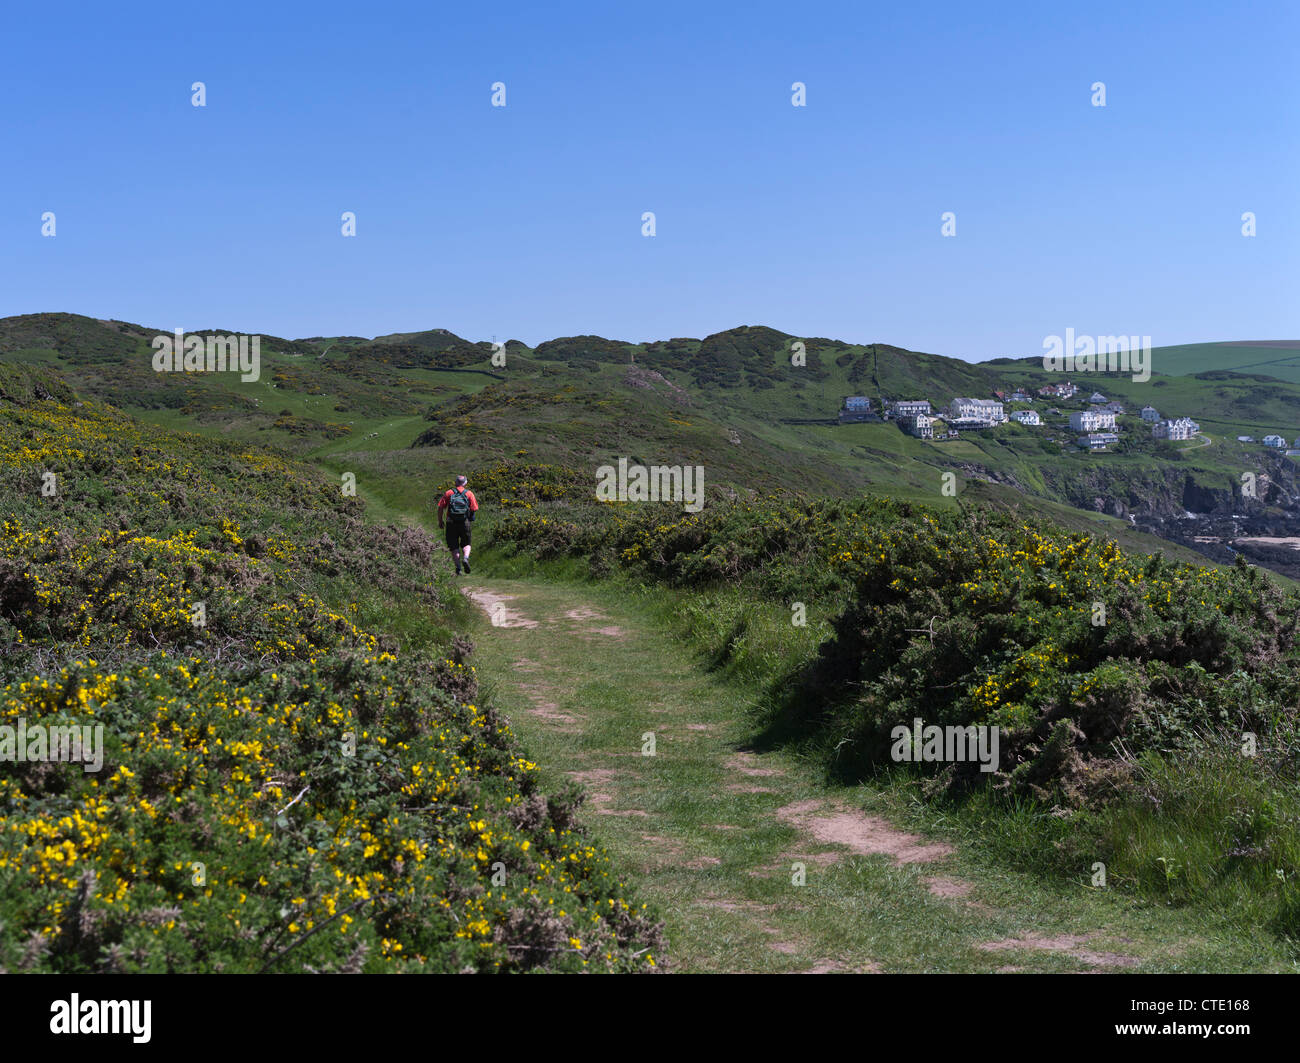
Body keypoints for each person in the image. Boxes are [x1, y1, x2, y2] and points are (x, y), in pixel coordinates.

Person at [437, 474, 479, 575]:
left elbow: (440, 507)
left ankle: (458, 568)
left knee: (453, 546)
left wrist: (440, 521)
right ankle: (465, 558)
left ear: (455, 482)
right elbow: (474, 509)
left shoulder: (449, 493)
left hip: (451, 522)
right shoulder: (469, 494)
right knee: (466, 543)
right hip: (464, 522)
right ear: (465, 483)